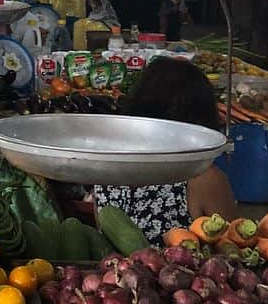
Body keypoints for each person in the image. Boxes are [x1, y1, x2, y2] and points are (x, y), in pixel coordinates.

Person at [93, 57, 236, 242]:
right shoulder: (204, 178)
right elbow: (234, 245)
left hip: (114, 270)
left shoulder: (105, 172)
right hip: (181, 271)